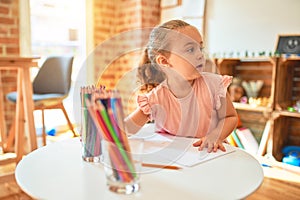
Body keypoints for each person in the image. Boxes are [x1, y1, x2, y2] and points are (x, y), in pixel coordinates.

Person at [125, 20, 238, 153]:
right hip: (174, 159)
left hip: (208, 153)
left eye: (200, 48)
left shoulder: (214, 85)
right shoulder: (156, 98)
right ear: (164, 61)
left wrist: (215, 136)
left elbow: (230, 117)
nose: (200, 55)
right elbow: (125, 129)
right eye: (190, 49)